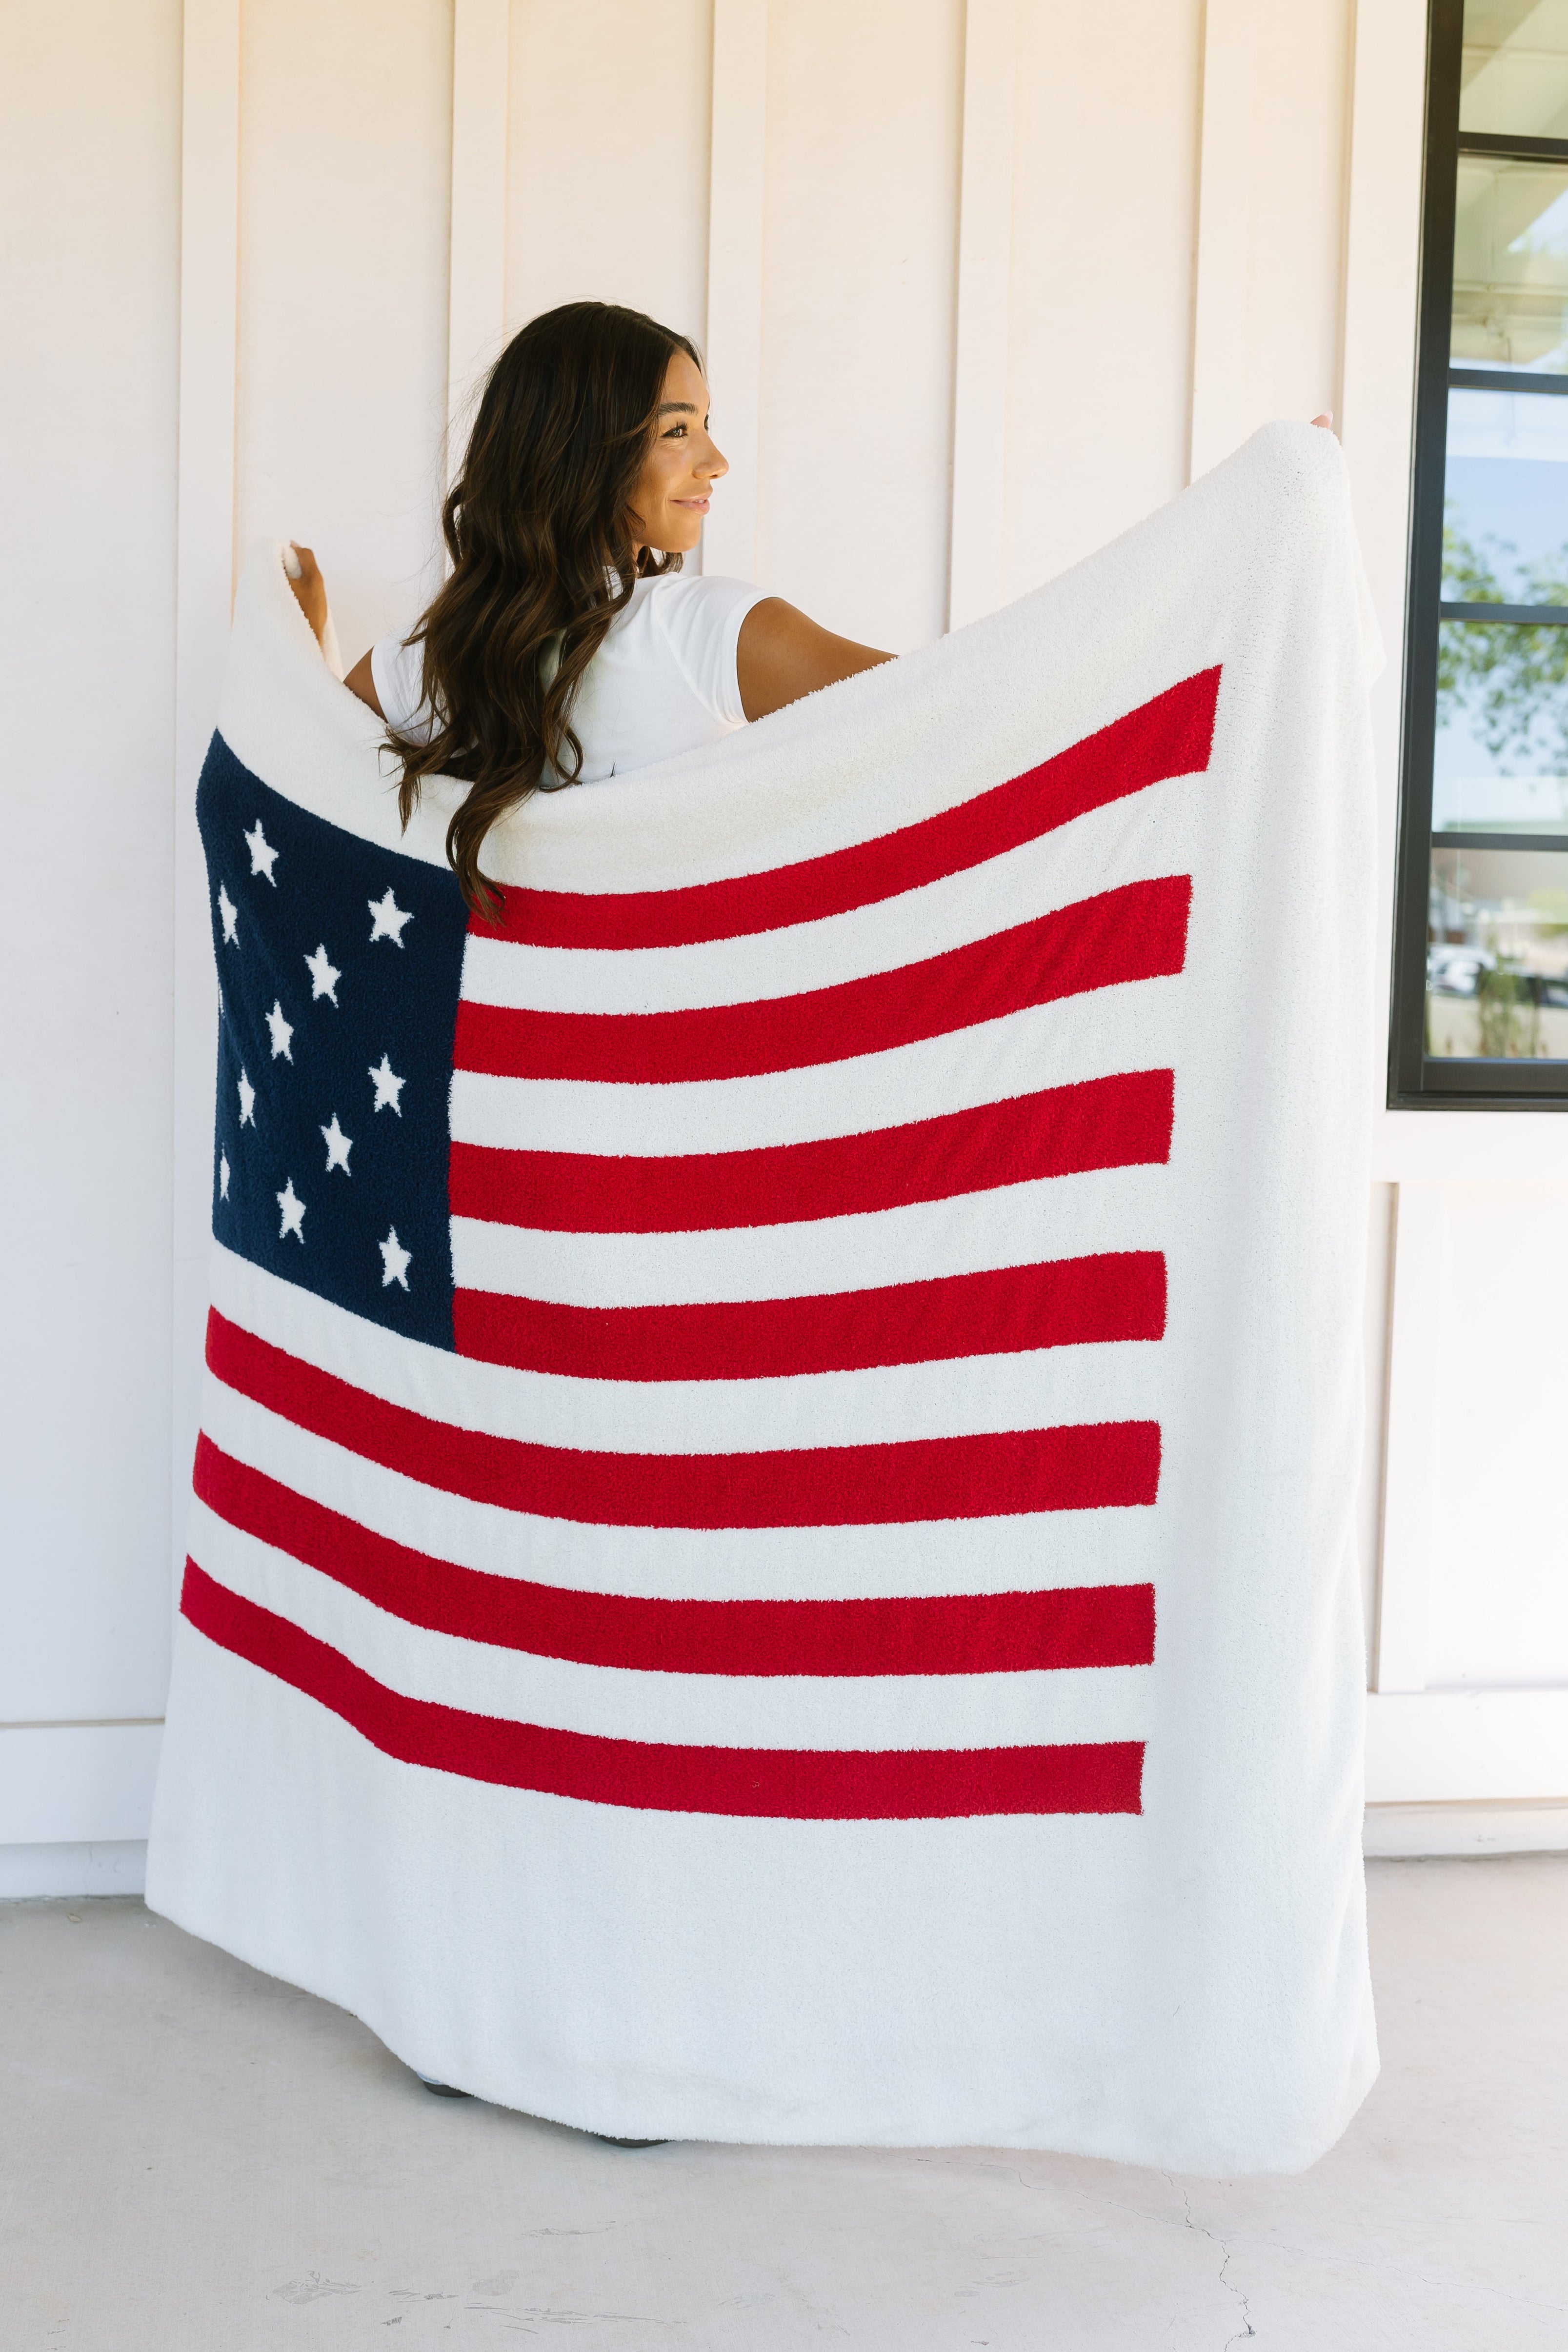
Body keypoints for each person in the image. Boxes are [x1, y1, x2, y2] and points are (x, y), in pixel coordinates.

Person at [285, 300, 893, 912]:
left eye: (706, 424)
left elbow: (293, 792)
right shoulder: (710, 630)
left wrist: (301, 650)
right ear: (582, 451)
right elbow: (947, 708)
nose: (717, 462)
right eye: (677, 431)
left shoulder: (423, 665)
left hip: (508, 1006)